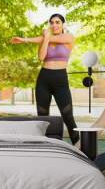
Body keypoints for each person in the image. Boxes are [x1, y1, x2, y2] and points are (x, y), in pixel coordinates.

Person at [10, 14, 79, 144]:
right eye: (52, 22)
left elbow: (53, 38)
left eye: (58, 22)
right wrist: (45, 39)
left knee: (68, 115)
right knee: (42, 117)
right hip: (44, 79)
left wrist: (31, 39)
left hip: (60, 80)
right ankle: (43, 144)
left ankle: (78, 144)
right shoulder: (45, 39)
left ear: (63, 24)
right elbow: (41, 57)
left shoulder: (69, 37)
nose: (54, 25)